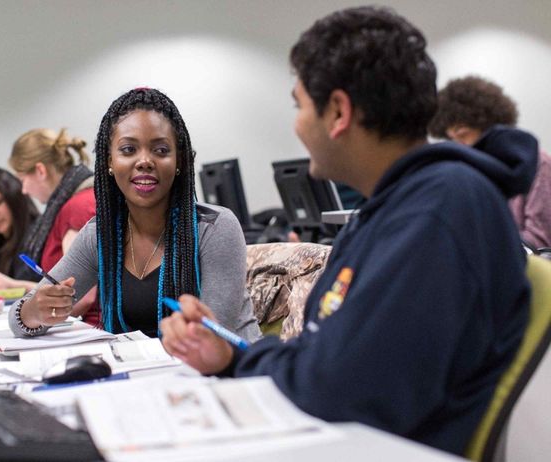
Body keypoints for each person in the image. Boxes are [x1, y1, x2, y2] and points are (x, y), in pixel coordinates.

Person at [160, 6, 536, 456]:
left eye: (300, 106)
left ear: (338, 111)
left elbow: (343, 390)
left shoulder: (440, 212)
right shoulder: (394, 209)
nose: (296, 123)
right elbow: (326, 356)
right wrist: (232, 358)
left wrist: (246, 366)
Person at [9, 87, 261, 341]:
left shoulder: (214, 228)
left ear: (180, 162)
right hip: (148, 375)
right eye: (128, 150)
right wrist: (35, 311)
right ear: (109, 161)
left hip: (229, 374)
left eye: (161, 150)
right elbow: (18, 321)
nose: (144, 161)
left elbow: (213, 339)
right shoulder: (99, 236)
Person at [428, 75, 551, 250]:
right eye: (451, 139)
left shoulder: (540, 164)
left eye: (463, 135)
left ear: (489, 126)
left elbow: (539, 238)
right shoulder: (462, 171)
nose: (458, 146)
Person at [0, 129, 97, 292]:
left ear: (41, 171)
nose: (24, 190)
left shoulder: (77, 207)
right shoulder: (79, 201)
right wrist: (16, 286)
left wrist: (20, 294)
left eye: (22, 180)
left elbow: (77, 295)